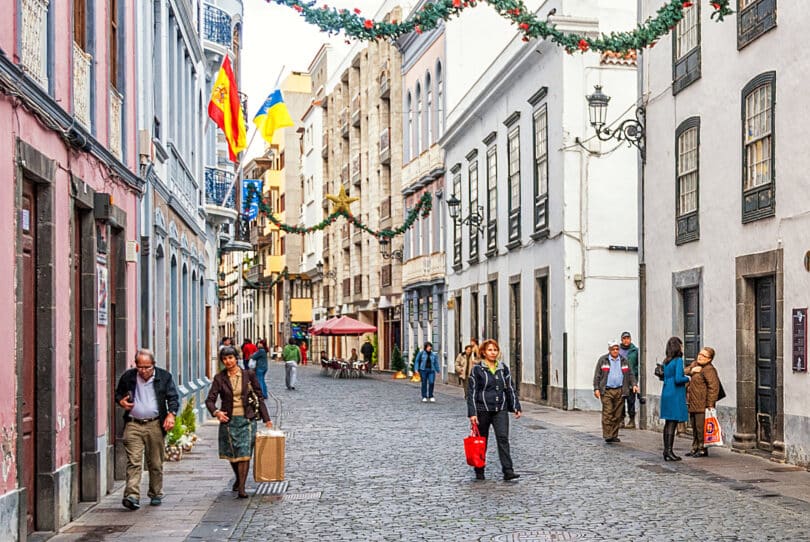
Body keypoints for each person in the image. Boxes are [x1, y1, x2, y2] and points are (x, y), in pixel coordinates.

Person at [114, 349, 180, 510]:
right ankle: (132, 495)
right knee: (134, 461)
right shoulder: (129, 377)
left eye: (147, 367)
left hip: (155, 424)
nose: (143, 371)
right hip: (133, 423)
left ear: (153, 365)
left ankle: (156, 493)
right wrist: (121, 402)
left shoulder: (164, 377)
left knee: (155, 462)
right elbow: (118, 394)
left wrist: (171, 415)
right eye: (140, 367)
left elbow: (173, 398)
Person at [206, 346, 273, 498]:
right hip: (229, 421)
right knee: (232, 454)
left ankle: (242, 487)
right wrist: (217, 412)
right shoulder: (219, 378)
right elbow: (210, 400)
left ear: (236, 358)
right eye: (225, 359)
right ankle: (238, 477)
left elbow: (259, 397)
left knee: (244, 453)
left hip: (247, 419)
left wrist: (267, 419)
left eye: (230, 358)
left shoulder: (248, 375)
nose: (228, 361)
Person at [467, 339, 522, 481]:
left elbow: (510, 388)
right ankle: (479, 470)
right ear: (484, 352)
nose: (493, 352)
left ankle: (508, 470)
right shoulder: (477, 370)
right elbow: (471, 392)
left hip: (500, 409)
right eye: (490, 350)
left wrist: (515, 406)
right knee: (482, 440)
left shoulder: (503, 368)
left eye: (495, 350)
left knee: (503, 438)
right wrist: (472, 413)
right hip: (482, 409)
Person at [593, 340, 639, 444]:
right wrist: (596, 388)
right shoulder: (603, 360)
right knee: (608, 413)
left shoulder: (623, 361)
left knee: (618, 414)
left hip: (620, 390)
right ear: (609, 350)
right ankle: (607, 435)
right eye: (613, 349)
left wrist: (634, 384)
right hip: (607, 390)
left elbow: (630, 374)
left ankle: (614, 434)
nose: (615, 351)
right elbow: (597, 375)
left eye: (617, 349)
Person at [684, 346, 720, 457]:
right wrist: (692, 370)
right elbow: (683, 371)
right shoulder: (695, 365)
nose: (700, 357)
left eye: (704, 356)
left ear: (709, 359)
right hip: (693, 401)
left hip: (702, 403)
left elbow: (714, 387)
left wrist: (710, 404)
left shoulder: (709, 370)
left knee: (701, 428)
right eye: (700, 354)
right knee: (694, 426)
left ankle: (702, 448)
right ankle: (695, 447)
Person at [660, 336, 691, 461]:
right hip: (675, 392)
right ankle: (669, 451)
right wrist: (688, 378)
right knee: (672, 423)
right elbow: (679, 379)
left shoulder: (666, 361)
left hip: (667, 390)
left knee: (668, 423)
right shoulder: (678, 360)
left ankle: (666, 450)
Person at [619, 331, 640, 429]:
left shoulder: (635, 351)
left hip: (631, 379)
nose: (626, 340)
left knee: (631, 400)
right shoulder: (618, 351)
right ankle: (621, 420)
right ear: (621, 340)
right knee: (620, 401)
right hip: (620, 379)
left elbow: (638, 365)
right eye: (624, 338)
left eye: (628, 338)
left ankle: (632, 420)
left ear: (630, 339)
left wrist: (636, 379)